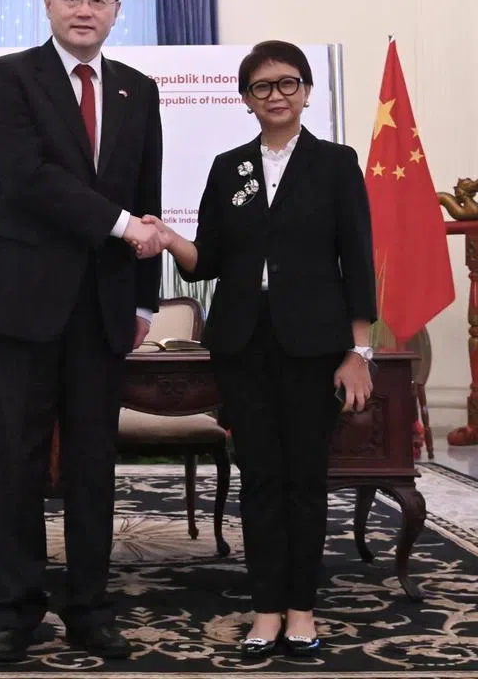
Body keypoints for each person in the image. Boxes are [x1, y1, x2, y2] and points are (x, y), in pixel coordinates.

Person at [0, 0, 164, 663]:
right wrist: (120, 225)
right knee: (16, 460)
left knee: (92, 462)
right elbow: (29, 176)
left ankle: (90, 609)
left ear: (116, 11)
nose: (85, 10)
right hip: (24, 299)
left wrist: (144, 302)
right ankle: (16, 611)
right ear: (47, 4)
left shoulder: (139, 89)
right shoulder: (11, 76)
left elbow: (147, 195)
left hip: (105, 304)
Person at [142, 40, 378, 659]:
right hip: (243, 344)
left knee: (305, 478)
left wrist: (360, 352)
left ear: (307, 91)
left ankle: (302, 609)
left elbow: (357, 260)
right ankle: (267, 609)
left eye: (288, 82)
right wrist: (170, 238)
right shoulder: (230, 167)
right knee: (261, 478)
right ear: (246, 99)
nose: (276, 95)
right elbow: (208, 262)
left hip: (315, 344)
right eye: (262, 86)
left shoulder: (336, 164)